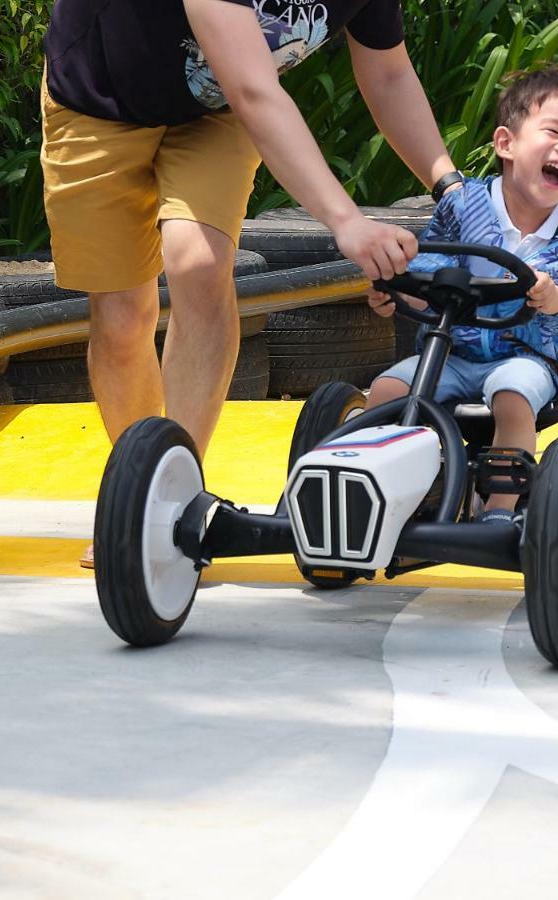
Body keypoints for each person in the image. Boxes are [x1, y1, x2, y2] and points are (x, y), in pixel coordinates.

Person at [40, 0, 464, 567]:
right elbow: (255, 93)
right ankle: (138, 486)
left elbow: (387, 71)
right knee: (122, 318)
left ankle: (166, 504)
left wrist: (451, 188)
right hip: (99, 98)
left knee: (198, 263)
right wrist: (347, 222)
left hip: (215, 112)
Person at [366, 66, 558, 526]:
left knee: (512, 394)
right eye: (553, 132)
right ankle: (394, 487)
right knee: (388, 390)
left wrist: (552, 294)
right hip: (453, 349)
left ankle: (500, 507)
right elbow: (427, 275)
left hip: (530, 354)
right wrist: (395, 293)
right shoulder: (465, 207)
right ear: (506, 144)